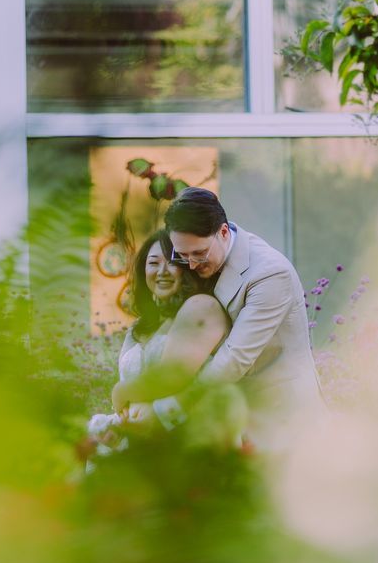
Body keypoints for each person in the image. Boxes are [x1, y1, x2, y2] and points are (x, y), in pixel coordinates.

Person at [161, 187, 322, 445]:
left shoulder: (269, 273)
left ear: (223, 232)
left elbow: (235, 357)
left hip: (283, 417)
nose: (190, 265)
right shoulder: (200, 259)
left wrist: (171, 407)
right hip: (236, 415)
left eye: (199, 253)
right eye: (182, 256)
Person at [100, 230, 230, 433]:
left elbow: (174, 375)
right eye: (153, 263)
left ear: (189, 267)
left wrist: (120, 392)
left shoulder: (203, 307)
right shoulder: (140, 326)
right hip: (141, 438)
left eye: (173, 262)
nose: (162, 271)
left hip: (190, 434)